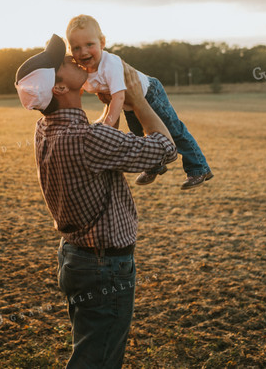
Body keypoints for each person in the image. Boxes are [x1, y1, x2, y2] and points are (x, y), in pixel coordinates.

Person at [14, 34, 177, 368]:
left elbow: (102, 141)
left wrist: (110, 107)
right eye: (63, 63)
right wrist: (137, 99)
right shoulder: (89, 138)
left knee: (90, 348)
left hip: (76, 259)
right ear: (59, 87)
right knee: (98, 360)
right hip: (105, 268)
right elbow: (165, 148)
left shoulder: (45, 129)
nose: (74, 59)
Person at [65, 14, 213, 190]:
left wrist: (108, 124)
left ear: (102, 43)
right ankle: (154, 166)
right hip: (130, 103)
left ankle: (199, 168)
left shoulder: (109, 64)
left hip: (149, 92)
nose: (83, 52)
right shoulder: (82, 70)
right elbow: (77, 89)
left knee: (174, 130)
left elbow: (118, 97)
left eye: (90, 44)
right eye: (76, 48)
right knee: (139, 135)